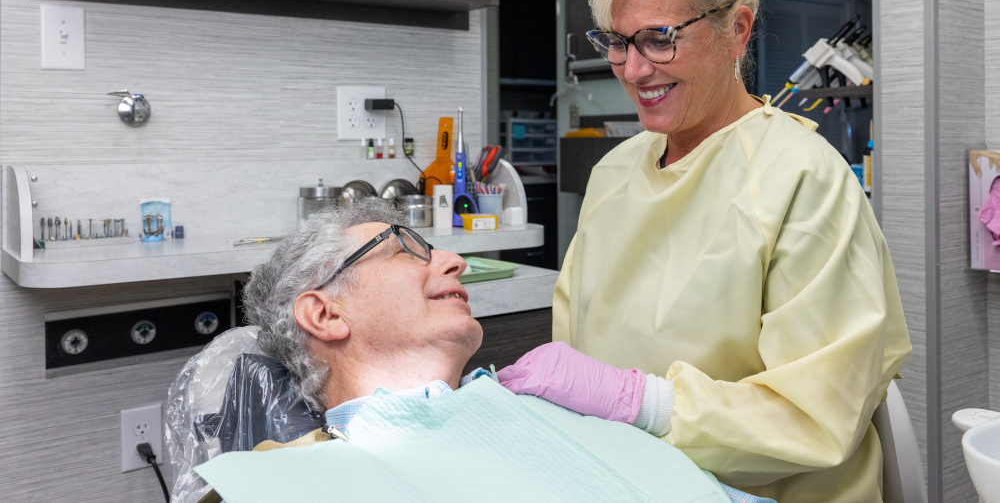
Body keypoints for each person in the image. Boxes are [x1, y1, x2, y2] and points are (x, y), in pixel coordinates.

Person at [497, 0, 911, 503]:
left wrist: (645, 403)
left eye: (660, 38)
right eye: (617, 40)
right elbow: (573, 350)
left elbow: (817, 418)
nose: (634, 70)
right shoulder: (615, 173)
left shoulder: (802, 180)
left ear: (737, 30)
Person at [190, 200, 771, 503]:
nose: (453, 262)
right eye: (405, 250)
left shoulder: (548, 414)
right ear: (324, 313)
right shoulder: (284, 483)